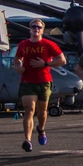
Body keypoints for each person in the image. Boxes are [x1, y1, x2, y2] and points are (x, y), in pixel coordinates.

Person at [14, 18, 66, 152]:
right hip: (27, 81)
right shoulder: (23, 44)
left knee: (42, 111)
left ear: (42, 30)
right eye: (33, 27)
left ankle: (41, 129)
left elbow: (62, 60)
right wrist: (18, 65)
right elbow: (17, 59)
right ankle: (28, 140)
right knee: (29, 109)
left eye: (38, 27)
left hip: (43, 81)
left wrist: (46, 64)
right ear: (30, 29)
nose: (36, 29)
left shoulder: (48, 44)